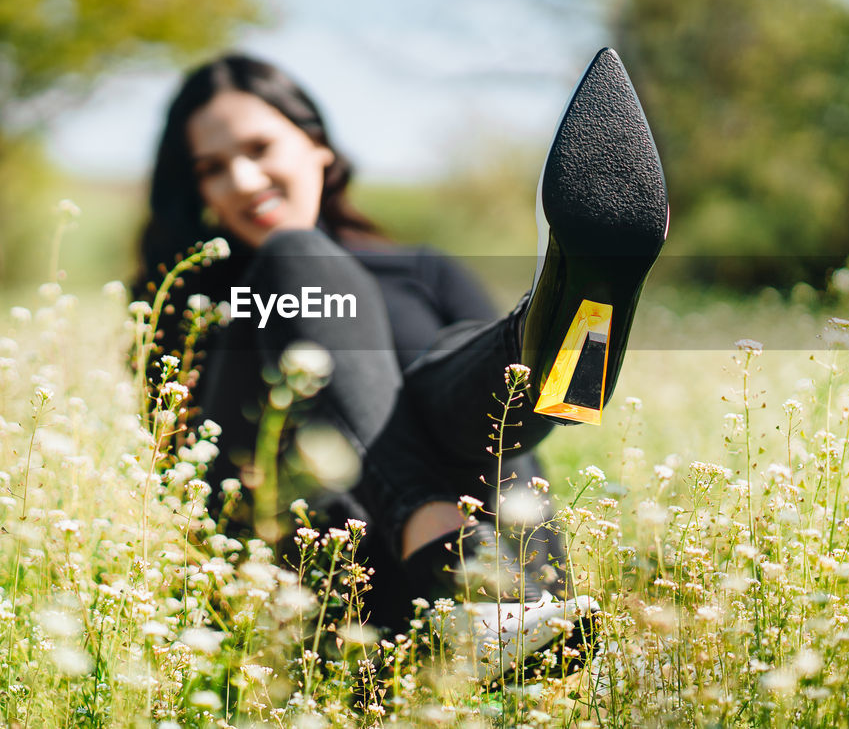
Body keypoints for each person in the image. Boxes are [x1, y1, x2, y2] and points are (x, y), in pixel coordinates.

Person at [132, 49, 668, 676]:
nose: (245, 181)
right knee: (296, 263)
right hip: (323, 574)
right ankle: (470, 575)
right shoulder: (205, 309)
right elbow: (188, 472)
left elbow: (508, 439)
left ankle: (569, 313)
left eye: (259, 148)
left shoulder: (421, 272)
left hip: (490, 562)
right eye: (214, 169)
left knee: (468, 384)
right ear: (197, 191)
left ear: (316, 147)